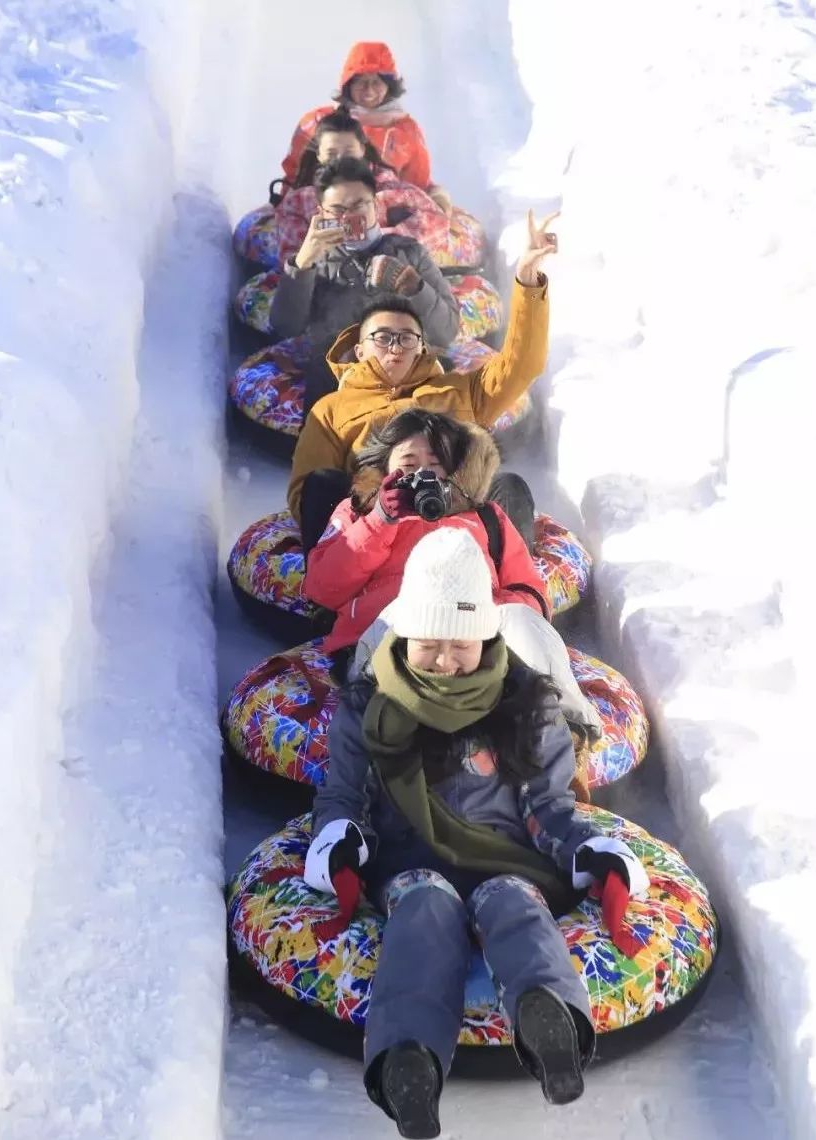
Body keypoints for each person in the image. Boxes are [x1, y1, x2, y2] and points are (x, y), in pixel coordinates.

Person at [304, 529, 650, 1137]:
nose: (443, 660)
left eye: (460, 644)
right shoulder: (370, 703)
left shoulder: (525, 702)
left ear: (487, 635)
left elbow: (547, 805)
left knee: (515, 904)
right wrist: (342, 840)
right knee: (425, 907)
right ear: (404, 633)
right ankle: (408, 1061)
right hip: (407, 858)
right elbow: (343, 793)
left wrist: (585, 848)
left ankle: (552, 1023)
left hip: (507, 859)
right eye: (428, 643)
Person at [303, 410, 603, 746]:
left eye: (434, 464)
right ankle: (385, 736)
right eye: (408, 461)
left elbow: (528, 591)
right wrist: (380, 521)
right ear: (385, 464)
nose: (421, 473)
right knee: (405, 612)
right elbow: (321, 589)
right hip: (394, 633)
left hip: (473, 639)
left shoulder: (486, 517)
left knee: (520, 619)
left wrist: (476, 611)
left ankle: (565, 731)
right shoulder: (358, 512)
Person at [286, 208, 558, 535]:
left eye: (407, 338)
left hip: (456, 525)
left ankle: (504, 582)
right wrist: (375, 506)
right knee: (322, 484)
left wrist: (527, 278)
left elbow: (522, 364)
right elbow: (306, 494)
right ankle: (333, 581)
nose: (396, 346)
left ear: (422, 347)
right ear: (359, 351)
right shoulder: (331, 411)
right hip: (374, 530)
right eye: (382, 337)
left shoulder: (460, 391)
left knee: (509, 487)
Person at [269, 157, 460, 412]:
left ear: (377, 204)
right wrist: (302, 264)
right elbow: (285, 325)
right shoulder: (314, 261)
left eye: (359, 204)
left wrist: (415, 288)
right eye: (338, 209)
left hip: (403, 366)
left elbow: (446, 331)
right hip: (339, 379)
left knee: (444, 382)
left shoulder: (410, 253)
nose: (350, 216)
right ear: (322, 213)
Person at [281, 41, 450, 209]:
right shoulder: (318, 121)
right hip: (321, 208)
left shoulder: (406, 130)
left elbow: (417, 184)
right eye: (360, 82)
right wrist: (286, 207)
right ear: (348, 85)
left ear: (389, 86)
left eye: (376, 82)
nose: (369, 90)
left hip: (386, 212)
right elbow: (293, 174)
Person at [274, 111, 453, 268]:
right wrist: (315, 251)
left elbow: (436, 225)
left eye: (349, 151)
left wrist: (375, 239)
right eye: (331, 153)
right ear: (319, 155)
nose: (341, 159)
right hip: (330, 284)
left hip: (393, 276)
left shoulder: (396, 191)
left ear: (362, 149)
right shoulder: (298, 201)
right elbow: (289, 258)